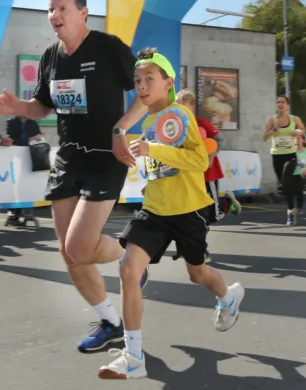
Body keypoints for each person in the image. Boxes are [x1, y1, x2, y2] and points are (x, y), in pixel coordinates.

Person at [0, 0, 150, 353]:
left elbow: (146, 95)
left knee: (80, 247)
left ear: (83, 13)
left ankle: (135, 256)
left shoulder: (109, 48)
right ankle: (111, 321)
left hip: (105, 156)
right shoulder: (50, 57)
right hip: (68, 158)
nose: (55, 16)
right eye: (51, 10)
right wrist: (18, 107)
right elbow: (42, 107)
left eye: (62, 8)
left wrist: (120, 130)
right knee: (70, 252)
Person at [98, 49, 245, 380]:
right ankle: (133, 356)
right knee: (128, 268)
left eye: (150, 79)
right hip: (154, 212)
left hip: (189, 212)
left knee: (198, 274)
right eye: (137, 81)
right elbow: (158, 169)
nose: (142, 86)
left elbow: (199, 161)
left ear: (167, 83)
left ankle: (228, 297)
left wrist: (155, 151)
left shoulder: (181, 114)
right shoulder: (148, 122)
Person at [176, 89, 240, 261]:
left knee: (209, 215)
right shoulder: (175, 127)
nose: (180, 106)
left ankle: (226, 202)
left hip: (207, 175)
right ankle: (196, 249)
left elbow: (220, 140)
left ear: (191, 106)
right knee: (190, 215)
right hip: (187, 177)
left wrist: (210, 158)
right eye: (178, 104)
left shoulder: (201, 123)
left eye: (183, 103)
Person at [262, 96, 305, 226]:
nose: (280, 104)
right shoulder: (272, 120)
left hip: (290, 154)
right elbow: (264, 138)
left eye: (283, 102)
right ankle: (291, 209)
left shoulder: (294, 119)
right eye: (278, 102)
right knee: (286, 186)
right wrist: (273, 130)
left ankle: (291, 212)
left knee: (286, 179)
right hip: (276, 155)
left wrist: (297, 132)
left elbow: (302, 129)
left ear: (288, 105)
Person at [5, 114, 45, 226]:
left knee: (28, 185)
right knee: (14, 185)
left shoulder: (33, 122)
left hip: (30, 157)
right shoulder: (12, 121)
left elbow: (38, 137)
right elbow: (12, 139)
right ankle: (14, 214)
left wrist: (39, 137)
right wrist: (29, 139)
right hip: (15, 158)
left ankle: (27, 214)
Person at [288, 133, 306, 224]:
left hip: (301, 174)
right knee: (290, 195)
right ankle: (290, 216)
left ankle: (299, 207)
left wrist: (305, 171)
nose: (296, 140)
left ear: (303, 140)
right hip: (291, 174)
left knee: (300, 192)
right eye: (295, 138)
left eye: (298, 138)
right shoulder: (290, 151)